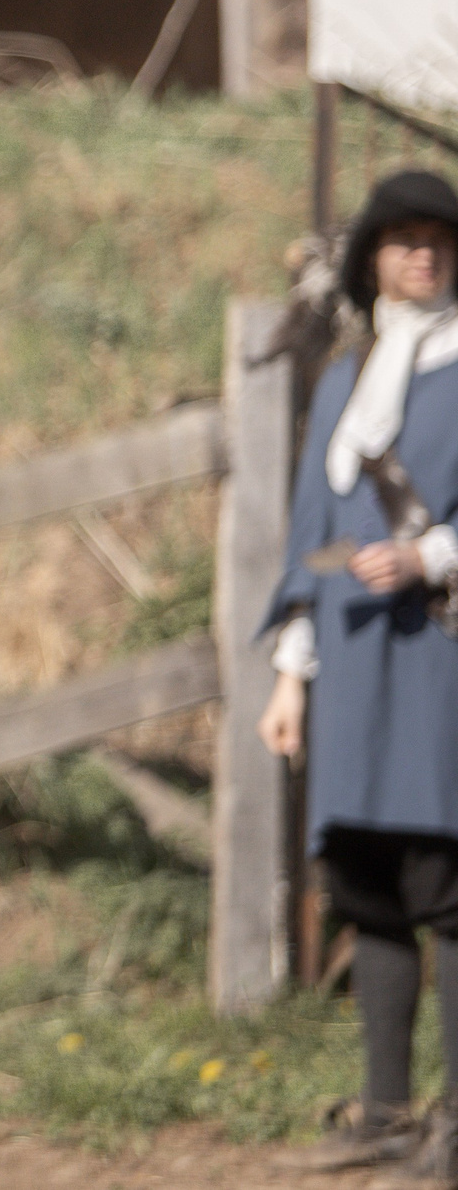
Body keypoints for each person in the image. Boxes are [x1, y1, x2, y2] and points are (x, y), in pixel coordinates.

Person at [262, 168, 458, 1184]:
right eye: (402, 238)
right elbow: (312, 531)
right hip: (347, 656)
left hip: (438, 656)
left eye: (438, 238)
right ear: (373, 258)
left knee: (448, 884)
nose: (422, 252)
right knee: (367, 881)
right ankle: (385, 1111)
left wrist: (431, 555)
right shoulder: (345, 380)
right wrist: (289, 679)